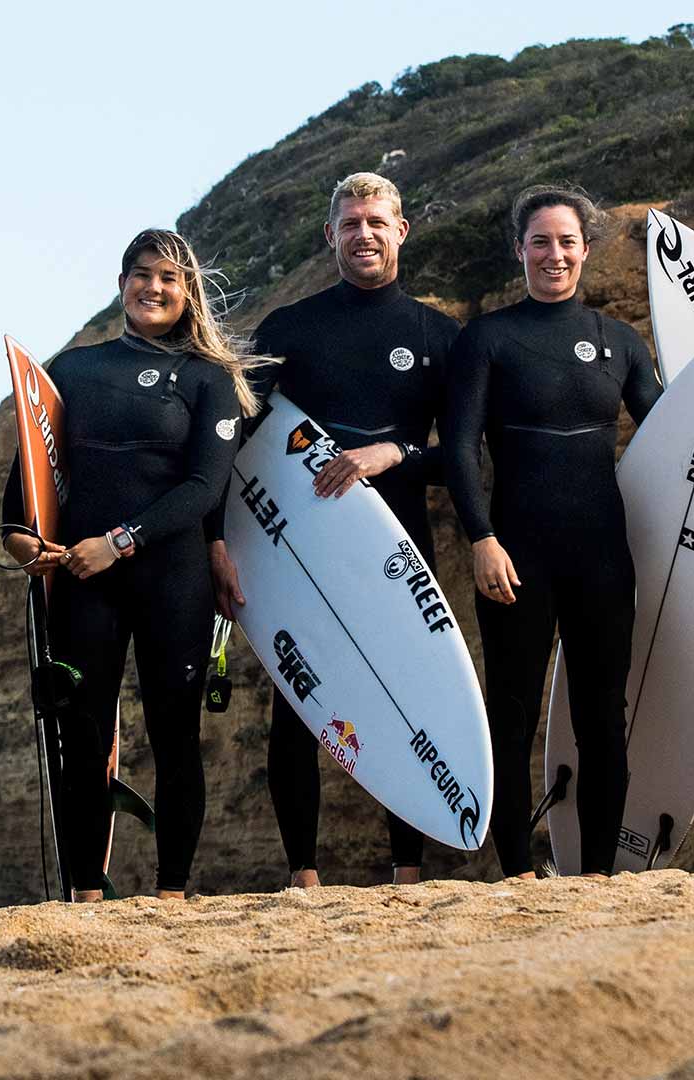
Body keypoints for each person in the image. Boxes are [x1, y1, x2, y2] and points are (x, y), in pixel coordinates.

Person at [206, 172, 459, 887]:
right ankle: (303, 872)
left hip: (398, 547)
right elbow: (232, 440)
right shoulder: (291, 329)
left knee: (404, 699)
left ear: (401, 230)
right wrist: (219, 541)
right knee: (298, 702)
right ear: (331, 236)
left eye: (377, 221)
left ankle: (407, 868)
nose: (364, 234)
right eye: (350, 224)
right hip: (301, 547)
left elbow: (462, 456)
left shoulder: (438, 336)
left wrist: (396, 453)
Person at [3, 229, 264, 901]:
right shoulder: (74, 369)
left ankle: (172, 890)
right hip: (84, 580)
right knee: (82, 732)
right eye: (142, 274)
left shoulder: (208, 379)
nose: (154, 287)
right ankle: (87, 888)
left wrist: (117, 541)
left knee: (175, 732)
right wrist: (22, 542)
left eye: (170, 278)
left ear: (187, 294)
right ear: (122, 283)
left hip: (171, 578)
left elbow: (204, 490)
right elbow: (25, 485)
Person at [444, 184, 659, 878]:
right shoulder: (489, 337)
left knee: (604, 718)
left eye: (567, 241)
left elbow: (672, 440)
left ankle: (598, 873)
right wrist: (480, 536)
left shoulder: (619, 342)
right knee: (511, 714)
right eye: (541, 241)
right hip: (515, 553)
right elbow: (459, 447)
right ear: (520, 250)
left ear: (586, 250)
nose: (555, 254)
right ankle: (516, 868)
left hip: (601, 557)